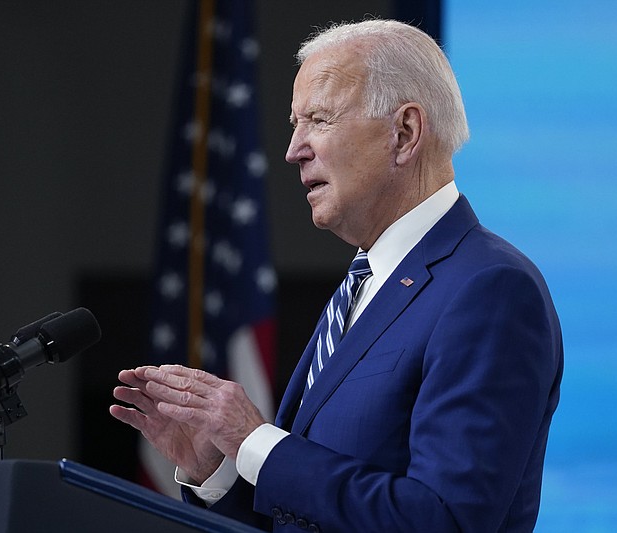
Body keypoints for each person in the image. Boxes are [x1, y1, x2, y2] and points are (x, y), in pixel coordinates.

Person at [110, 19, 563, 532]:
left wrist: (256, 441)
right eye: (294, 123)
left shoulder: (490, 290)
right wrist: (219, 472)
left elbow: (444, 521)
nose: (293, 149)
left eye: (319, 120)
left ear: (405, 133)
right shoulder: (367, 284)